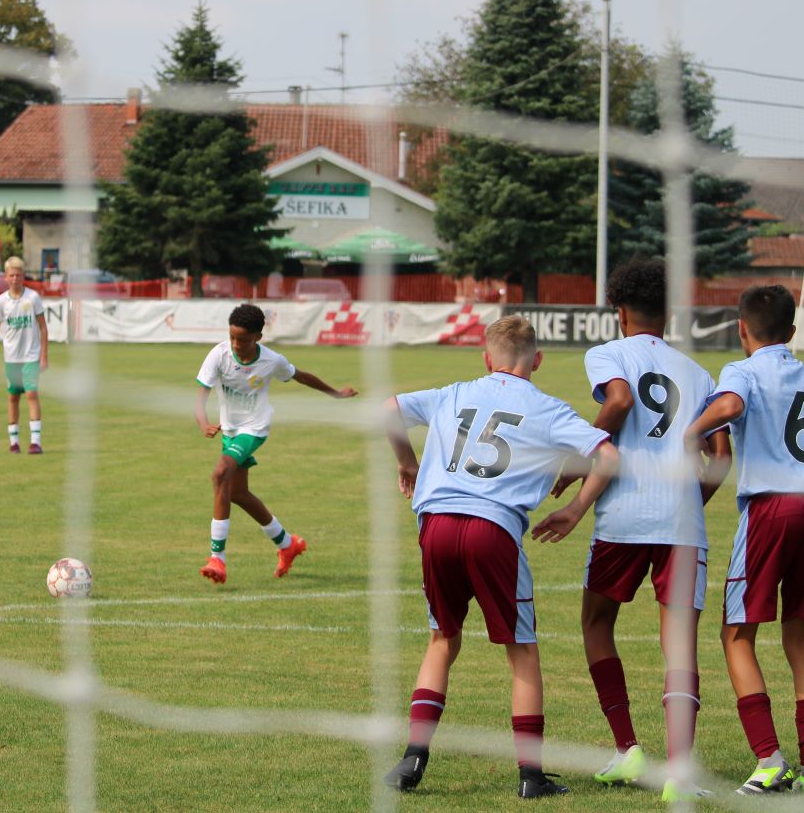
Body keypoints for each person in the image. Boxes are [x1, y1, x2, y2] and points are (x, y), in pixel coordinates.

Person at [383, 315, 619, 800]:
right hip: (492, 530)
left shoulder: (454, 392)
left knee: (442, 640)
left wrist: (406, 461)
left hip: (437, 525)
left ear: (486, 358)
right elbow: (609, 456)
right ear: (537, 360)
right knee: (522, 652)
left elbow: (388, 409)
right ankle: (531, 776)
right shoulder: (548, 408)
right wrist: (575, 509)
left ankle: (412, 758)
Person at [551, 257, 731, 801]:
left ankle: (628, 748)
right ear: (670, 312)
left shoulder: (607, 354)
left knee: (596, 622)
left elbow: (622, 400)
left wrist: (581, 456)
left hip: (622, 516)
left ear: (619, 311)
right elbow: (720, 458)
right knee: (679, 645)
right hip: (682, 524)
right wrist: (688, 504)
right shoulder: (699, 374)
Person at [684, 284, 804, 796]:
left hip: (772, 509)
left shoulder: (740, 371)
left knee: (737, 634)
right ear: (791, 332)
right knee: (800, 636)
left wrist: (688, 434)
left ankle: (768, 760)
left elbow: (727, 408)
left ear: (741, 329)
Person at [194, 303, 357, 584]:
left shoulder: (271, 360)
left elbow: (300, 376)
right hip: (230, 431)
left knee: (221, 473)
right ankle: (286, 544)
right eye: (233, 337)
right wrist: (203, 423)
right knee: (237, 494)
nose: (236, 344)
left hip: (255, 428)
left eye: (243, 340)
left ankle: (217, 559)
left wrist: (335, 393)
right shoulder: (219, 354)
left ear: (258, 336)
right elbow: (200, 395)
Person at [0, 256, 49, 454]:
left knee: (31, 394)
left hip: (30, 356)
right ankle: (14, 442)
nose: (15, 279)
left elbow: (43, 328)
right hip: (11, 357)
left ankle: (35, 442)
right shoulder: (2, 301)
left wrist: (44, 355)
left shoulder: (33, 298)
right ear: (5, 277)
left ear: (23, 276)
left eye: (18, 275)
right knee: (13, 397)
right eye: (11, 275)